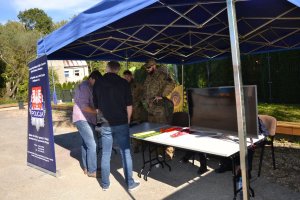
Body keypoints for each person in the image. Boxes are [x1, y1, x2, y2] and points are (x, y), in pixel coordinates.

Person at [93, 61, 140, 191]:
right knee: (126, 152)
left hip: (106, 123)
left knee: (106, 153)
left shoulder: (98, 83)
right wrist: (128, 120)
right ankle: (130, 183)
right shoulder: (124, 83)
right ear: (118, 70)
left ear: (107, 68)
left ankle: (105, 184)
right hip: (122, 122)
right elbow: (129, 106)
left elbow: (96, 108)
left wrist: (101, 120)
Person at [142, 58, 176, 159]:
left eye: (148, 67)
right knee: (154, 132)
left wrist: (162, 95)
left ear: (154, 66)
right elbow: (146, 90)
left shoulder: (162, 75)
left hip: (160, 109)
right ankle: (159, 151)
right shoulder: (149, 77)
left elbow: (171, 83)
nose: (147, 69)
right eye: (146, 68)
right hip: (150, 109)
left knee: (164, 130)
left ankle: (169, 151)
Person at [72, 70, 102, 178]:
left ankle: (87, 167)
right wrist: (97, 111)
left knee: (86, 144)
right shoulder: (85, 87)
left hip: (86, 119)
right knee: (93, 144)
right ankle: (92, 171)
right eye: (97, 82)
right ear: (92, 78)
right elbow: (84, 106)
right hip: (82, 119)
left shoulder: (89, 87)